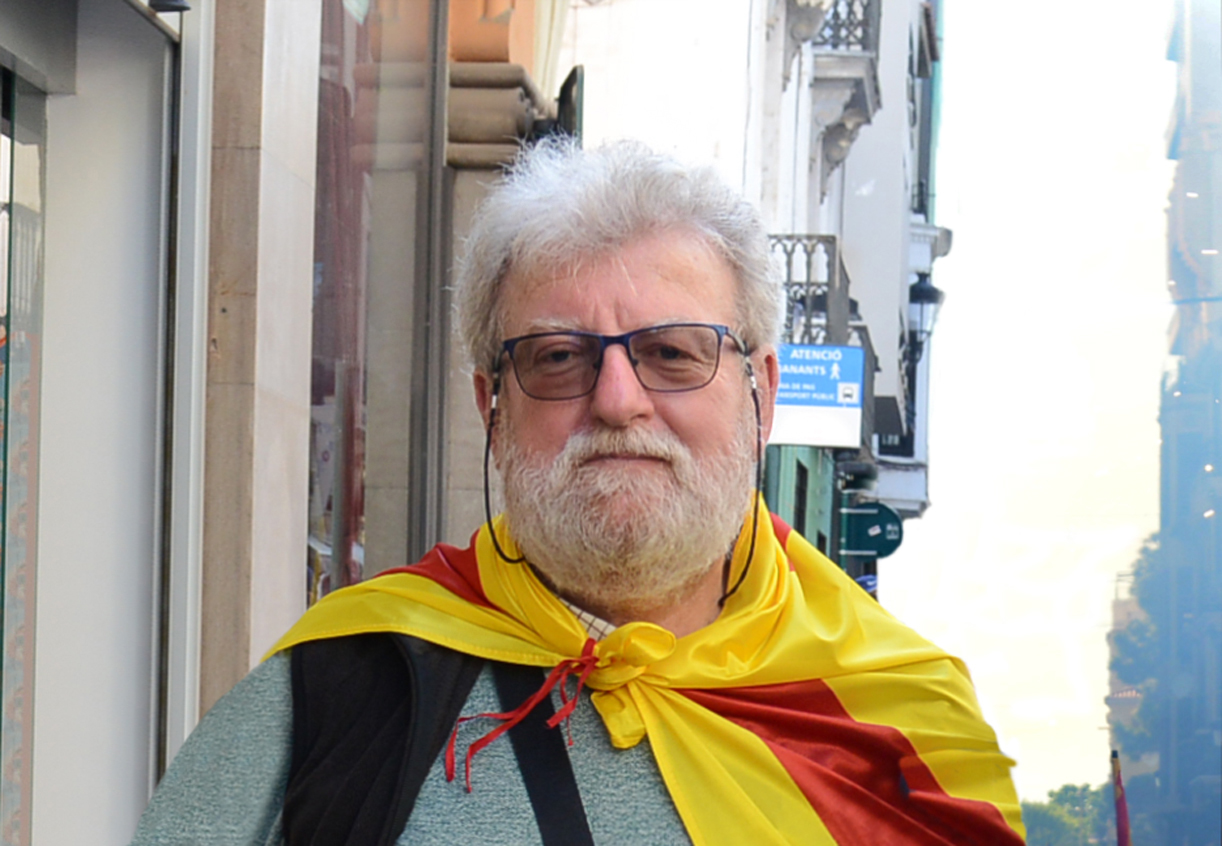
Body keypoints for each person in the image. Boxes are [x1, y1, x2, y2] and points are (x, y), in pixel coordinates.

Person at [131, 140, 1025, 845]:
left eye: (673, 353)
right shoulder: (340, 686)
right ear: (492, 405)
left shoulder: (898, 727)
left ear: (763, 392)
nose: (618, 400)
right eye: (558, 358)